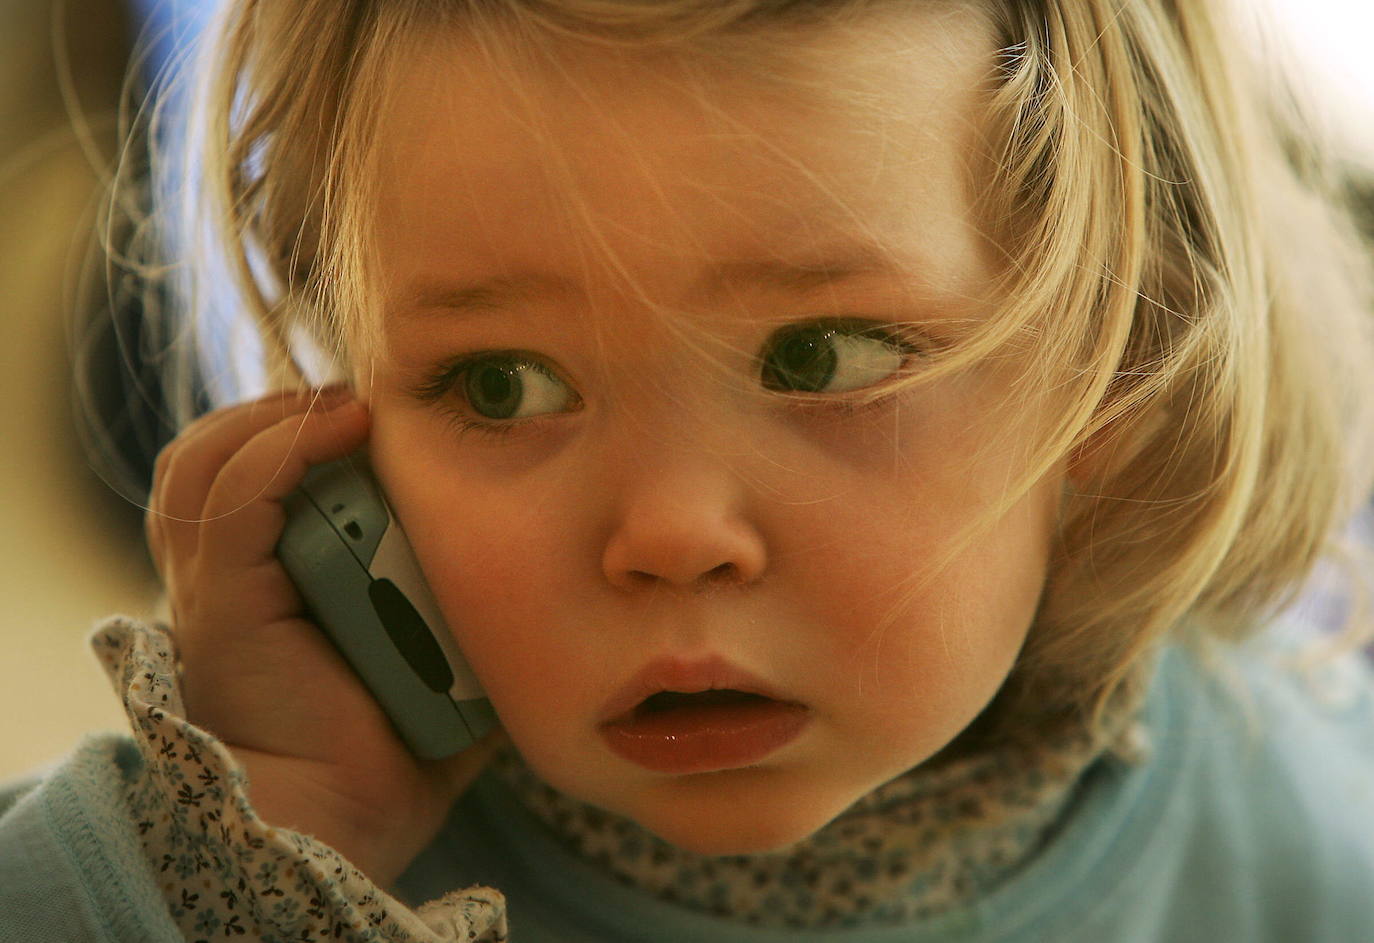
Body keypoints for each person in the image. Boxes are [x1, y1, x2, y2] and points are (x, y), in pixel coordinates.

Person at [4, 0, 1374, 939]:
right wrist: (267, 837)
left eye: (826, 357)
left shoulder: (1311, 844)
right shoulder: (242, 868)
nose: (667, 533)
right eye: (501, 384)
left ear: (1120, 376)